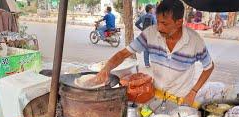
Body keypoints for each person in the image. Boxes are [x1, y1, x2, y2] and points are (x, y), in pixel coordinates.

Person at [87, 0, 217, 107]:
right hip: (156, 96)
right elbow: (123, 54)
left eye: (164, 23)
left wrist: (193, 91)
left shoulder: (194, 41)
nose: (159, 27)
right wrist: (105, 70)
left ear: (179, 22)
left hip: (182, 100)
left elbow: (209, 67)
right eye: (158, 21)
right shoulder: (150, 33)